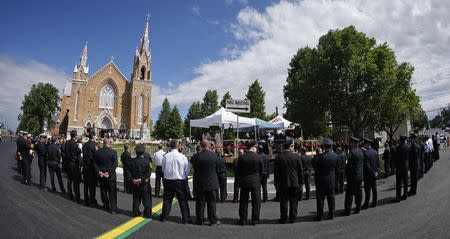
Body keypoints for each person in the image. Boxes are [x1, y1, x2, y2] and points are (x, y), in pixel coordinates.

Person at [159, 140, 192, 224]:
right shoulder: (182, 157)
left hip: (168, 180)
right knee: (183, 200)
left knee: (167, 199)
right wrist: (183, 175)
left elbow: (163, 168)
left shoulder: (166, 156)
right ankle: (185, 218)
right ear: (178, 146)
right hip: (179, 180)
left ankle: (164, 216)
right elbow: (187, 170)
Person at [274, 141, 303, 224]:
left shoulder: (278, 157)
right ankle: (293, 217)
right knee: (294, 201)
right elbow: (300, 171)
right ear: (290, 147)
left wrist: (276, 183)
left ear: (283, 147)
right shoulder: (296, 156)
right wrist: (301, 183)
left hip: (283, 182)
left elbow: (276, 172)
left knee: (283, 201)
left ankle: (283, 218)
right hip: (294, 182)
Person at [193, 140, 221, 226]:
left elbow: (195, 169)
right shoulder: (214, 155)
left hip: (200, 182)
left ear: (201, 146)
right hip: (212, 182)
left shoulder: (196, 156)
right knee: (212, 202)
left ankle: (199, 220)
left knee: (200, 202)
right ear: (209, 145)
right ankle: (212, 220)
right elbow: (218, 169)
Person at [236, 142, 263, 226]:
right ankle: (255, 219)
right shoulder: (258, 157)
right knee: (256, 201)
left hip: (244, 181)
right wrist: (258, 178)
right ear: (253, 148)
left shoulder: (241, 157)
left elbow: (238, 171)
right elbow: (261, 170)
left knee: (243, 201)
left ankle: (243, 219)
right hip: (255, 181)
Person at [315, 138, 338, 220]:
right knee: (331, 197)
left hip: (321, 180)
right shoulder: (335, 156)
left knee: (321, 198)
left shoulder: (319, 157)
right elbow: (337, 168)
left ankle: (320, 215)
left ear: (324, 146)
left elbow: (316, 169)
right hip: (331, 179)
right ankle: (332, 213)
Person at [94, 138, 118, 214]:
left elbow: (94, 164)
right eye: (110, 142)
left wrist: (99, 172)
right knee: (112, 192)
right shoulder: (113, 152)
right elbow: (115, 164)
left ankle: (106, 205)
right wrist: (108, 173)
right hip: (110, 176)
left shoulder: (98, 152)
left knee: (103, 191)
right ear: (108, 143)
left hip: (101, 175)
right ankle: (113, 208)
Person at [127, 144, 152, 218]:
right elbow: (148, 173)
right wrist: (141, 179)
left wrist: (133, 179)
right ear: (143, 152)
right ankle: (147, 214)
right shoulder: (146, 162)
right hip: (144, 183)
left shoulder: (132, 161)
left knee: (136, 199)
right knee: (147, 200)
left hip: (135, 183)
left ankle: (136, 212)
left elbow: (128, 172)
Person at [344, 136, 364, 216]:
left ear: (353, 143)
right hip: (359, 176)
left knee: (349, 194)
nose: (349, 144)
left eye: (350, 142)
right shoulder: (361, 151)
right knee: (359, 193)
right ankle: (358, 208)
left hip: (352, 176)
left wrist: (346, 174)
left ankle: (347, 210)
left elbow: (348, 166)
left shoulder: (352, 153)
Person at [362, 138, 379, 209]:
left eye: (364, 144)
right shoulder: (375, 152)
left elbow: (367, 166)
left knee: (367, 190)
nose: (364, 146)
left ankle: (366, 204)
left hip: (368, 174)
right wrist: (377, 171)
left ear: (367, 144)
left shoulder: (365, 153)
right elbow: (377, 163)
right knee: (374, 189)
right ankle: (375, 202)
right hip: (374, 173)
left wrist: (372, 172)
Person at [65, 130, 82, 203]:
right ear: (75, 136)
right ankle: (77, 197)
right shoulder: (74, 143)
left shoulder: (67, 143)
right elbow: (78, 152)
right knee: (76, 181)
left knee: (69, 180)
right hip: (74, 163)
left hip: (68, 163)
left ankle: (69, 194)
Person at [82, 132, 98, 206]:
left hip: (85, 166)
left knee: (86, 184)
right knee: (92, 185)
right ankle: (92, 199)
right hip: (91, 168)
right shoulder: (94, 145)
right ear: (93, 136)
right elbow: (96, 155)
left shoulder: (84, 145)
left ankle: (86, 199)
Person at [393, 136, 410, 202]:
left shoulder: (397, 147)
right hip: (406, 166)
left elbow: (394, 158)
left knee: (399, 182)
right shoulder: (408, 147)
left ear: (400, 140)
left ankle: (398, 197)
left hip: (399, 166)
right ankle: (405, 195)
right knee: (405, 182)